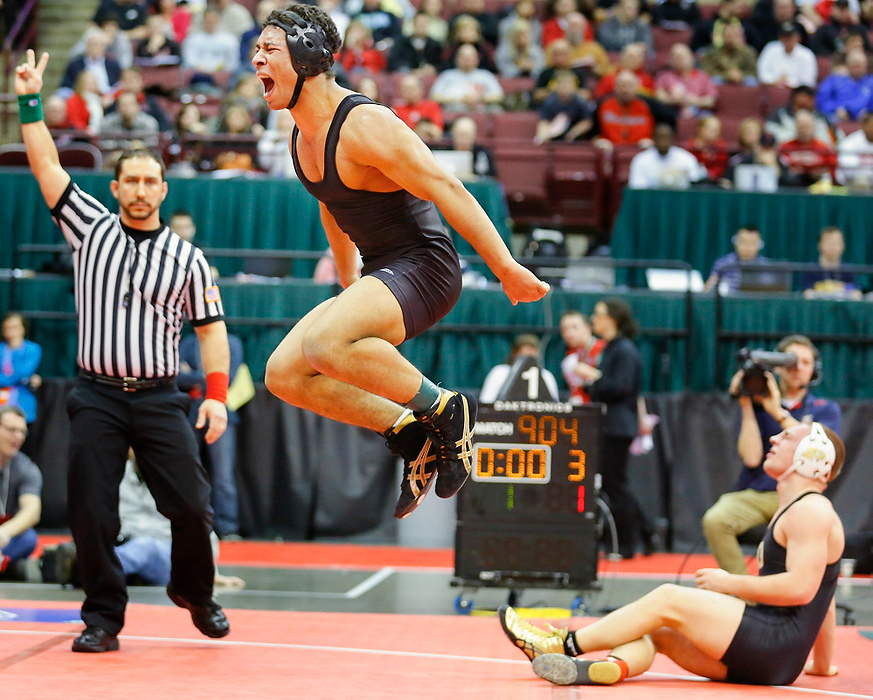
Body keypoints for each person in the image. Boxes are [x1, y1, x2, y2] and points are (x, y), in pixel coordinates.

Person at [252, 5, 549, 520]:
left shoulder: (365, 123)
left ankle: (445, 409)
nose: (256, 58)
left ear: (304, 57)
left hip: (426, 265)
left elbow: (446, 187)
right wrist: (348, 284)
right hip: (383, 269)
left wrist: (506, 267)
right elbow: (332, 206)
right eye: (256, 48)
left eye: (269, 49)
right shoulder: (301, 137)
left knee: (324, 345)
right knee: (282, 374)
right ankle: (408, 431)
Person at [15, 49, 232, 653]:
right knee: (91, 513)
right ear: (116, 188)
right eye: (130, 181)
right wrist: (31, 99)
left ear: (163, 188)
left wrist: (215, 398)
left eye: (149, 181)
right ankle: (103, 617)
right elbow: (45, 164)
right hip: (97, 393)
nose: (140, 189)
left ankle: (194, 592)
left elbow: (212, 331)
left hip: (161, 396)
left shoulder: (189, 259)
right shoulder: (88, 224)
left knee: (191, 507)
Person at [499, 420, 846, 688]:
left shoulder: (810, 511)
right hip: (777, 655)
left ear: (813, 457)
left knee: (669, 598)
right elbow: (824, 597)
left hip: (773, 643)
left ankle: (562, 645)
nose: (774, 439)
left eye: (785, 438)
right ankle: (606, 668)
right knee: (656, 629)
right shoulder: (803, 510)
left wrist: (731, 583)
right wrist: (820, 664)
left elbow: (802, 589)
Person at [703, 334, 841, 575]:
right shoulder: (757, 406)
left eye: (805, 362)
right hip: (757, 492)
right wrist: (747, 405)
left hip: (799, 494)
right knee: (715, 519)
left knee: (800, 525)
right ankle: (745, 594)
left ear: (815, 370)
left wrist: (776, 411)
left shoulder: (825, 409)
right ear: (777, 368)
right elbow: (752, 458)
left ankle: (777, 593)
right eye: (790, 361)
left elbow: (820, 450)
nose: (797, 368)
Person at [570, 299, 655, 558]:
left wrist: (592, 383)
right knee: (613, 485)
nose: (594, 320)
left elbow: (620, 387)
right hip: (611, 425)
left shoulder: (624, 350)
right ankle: (646, 532)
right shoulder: (613, 349)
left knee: (615, 486)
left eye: (598, 315)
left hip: (617, 427)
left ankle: (627, 544)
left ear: (612, 320)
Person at [178, 332, 246, 539]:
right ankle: (190, 525)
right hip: (190, 415)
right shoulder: (188, 343)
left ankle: (227, 528)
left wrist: (194, 377)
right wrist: (207, 377)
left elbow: (229, 378)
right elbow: (176, 378)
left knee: (223, 476)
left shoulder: (232, 342)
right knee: (188, 473)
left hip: (221, 414)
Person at [0, 407, 42, 580]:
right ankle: (8, 566)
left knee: (28, 538)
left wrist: (5, 532)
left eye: (22, 432)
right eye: (11, 430)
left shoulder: (26, 468)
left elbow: (32, 511)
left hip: (2, 537)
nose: (18, 437)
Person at [480, 334, 559, 403]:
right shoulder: (499, 372)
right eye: (525, 351)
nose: (529, 355)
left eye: (532, 351)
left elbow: (555, 408)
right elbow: (486, 402)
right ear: (515, 353)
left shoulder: (546, 375)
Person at [628, 123, 705, 189]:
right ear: (653, 139)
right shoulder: (641, 160)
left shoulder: (686, 158)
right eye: (660, 138)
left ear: (673, 139)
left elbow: (695, 183)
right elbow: (637, 187)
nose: (663, 142)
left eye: (666, 138)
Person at [1, 312, 42, 425]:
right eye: (7, 328)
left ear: (23, 329)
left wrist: (24, 378)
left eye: (15, 327)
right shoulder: (1, 350)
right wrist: (27, 380)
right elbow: (21, 377)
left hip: (23, 406)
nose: (11, 332)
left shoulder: (32, 349)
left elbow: (23, 373)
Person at [800, 226, 862, 298]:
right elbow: (806, 292)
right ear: (820, 245)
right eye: (829, 243)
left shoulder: (848, 269)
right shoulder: (810, 269)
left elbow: (856, 292)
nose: (833, 247)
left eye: (836, 243)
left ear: (843, 245)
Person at [534, 69, 594, 143]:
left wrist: (573, 133)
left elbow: (587, 122)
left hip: (576, 139)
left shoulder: (580, 102)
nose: (564, 86)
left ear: (575, 86)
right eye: (561, 83)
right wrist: (543, 135)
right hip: (554, 137)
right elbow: (543, 121)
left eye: (568, 83)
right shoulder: (549, 101)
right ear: (555, 86)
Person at [559, 310, 605, 405]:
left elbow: (616, 383)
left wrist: (593, 374)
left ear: (588, 328)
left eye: (574, 327)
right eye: (564, 329)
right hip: (579, 408)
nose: (569, 333)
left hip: (600, 407)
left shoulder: (602, 348)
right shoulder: (570, 354)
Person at [703, 225, 768, 293]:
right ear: (736, 242)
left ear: (760, 245)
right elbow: (709, 288)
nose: (747, 247)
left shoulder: (766, 266)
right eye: (744, 242)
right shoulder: (723, 263)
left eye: (752, 243)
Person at [757, 21, 818, 88]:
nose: (787, 40)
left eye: (790, 37)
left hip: (796, 92)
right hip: (771, 89)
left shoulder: (807, 55)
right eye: (785, 37)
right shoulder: (770, 49)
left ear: (798, 37)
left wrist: (789, 82)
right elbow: (761, 73)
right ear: (780, 38)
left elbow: (808, 81)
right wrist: (775, 81)